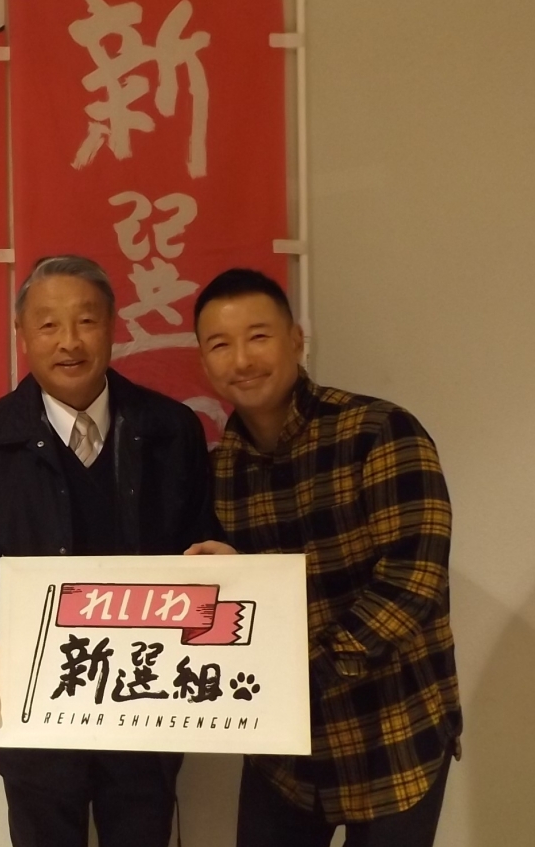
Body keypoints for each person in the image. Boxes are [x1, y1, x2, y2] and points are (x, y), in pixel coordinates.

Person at [0, 255, 220, 847]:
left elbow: (200, 540)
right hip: (33, 701)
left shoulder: (171, 430)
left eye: (85, 321)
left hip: (148, 698)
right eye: (48, 324)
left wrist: (219, 570)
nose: (69, 342)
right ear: (22, 334)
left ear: (112, 325)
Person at [187, 268, 462, 847]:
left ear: (296, 340)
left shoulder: (379, 431)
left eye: (258, 336)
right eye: (220, 344)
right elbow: (240, 601)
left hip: (393, 736)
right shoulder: (220, 468)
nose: (242, 359)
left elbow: (412, 580)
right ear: (204, 361)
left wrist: (297, 674)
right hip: (285, 760)